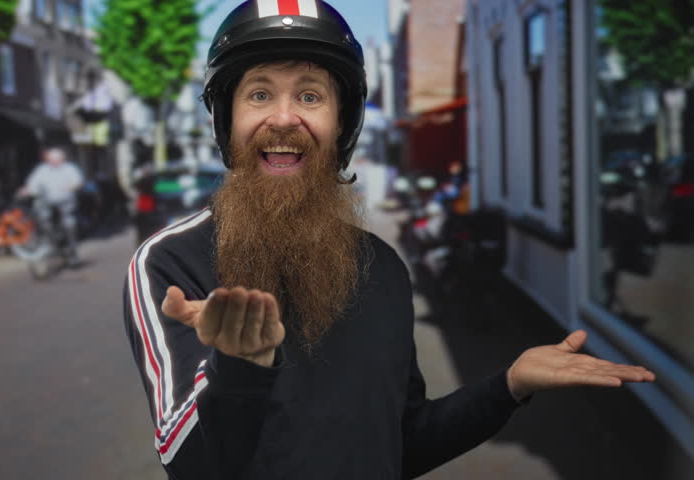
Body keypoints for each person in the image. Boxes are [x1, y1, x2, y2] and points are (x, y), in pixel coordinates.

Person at [122, 2, 655, 478]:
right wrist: (239, 367)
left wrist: (508, 386)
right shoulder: (170, 262)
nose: (284, 118)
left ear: (344, 123)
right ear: (224, 119)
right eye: (259, 93)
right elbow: (189, 463)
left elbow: (402, 444)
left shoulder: (381, 266)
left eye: (310, 95)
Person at [20, 146, 83, 266]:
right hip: (46, 203)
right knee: (42, 220)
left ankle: (72, 253)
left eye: (57, 159)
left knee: (69, 224)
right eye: (52, 160)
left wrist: (72, 186)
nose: (54, 162)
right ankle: (47, 244)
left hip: (65, 202)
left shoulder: (69, 169)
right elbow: (33, 184)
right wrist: (26, 190)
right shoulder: (42, 170)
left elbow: (77, 181)